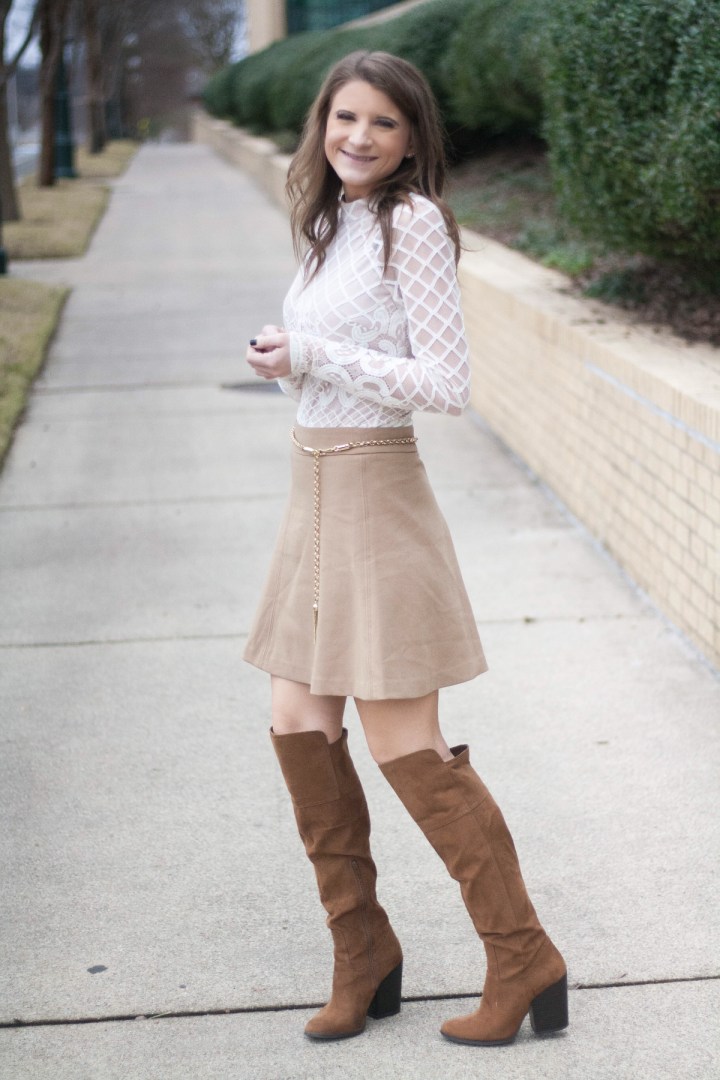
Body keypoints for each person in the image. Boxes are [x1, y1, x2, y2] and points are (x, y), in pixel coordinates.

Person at [244, 50, 568, 1047]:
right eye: (345, 117)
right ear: (322, 123)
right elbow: (339, 358)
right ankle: (363, 953)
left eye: (383, 123)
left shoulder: (412, 223)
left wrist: (317, 355)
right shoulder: (331, 219)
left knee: (404, 743)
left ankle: (523, 960)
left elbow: (446, 381)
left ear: (413, 138)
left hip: (378, 493)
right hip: (314, 488)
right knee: (299, 719)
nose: (359, 137)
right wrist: (287, 361)